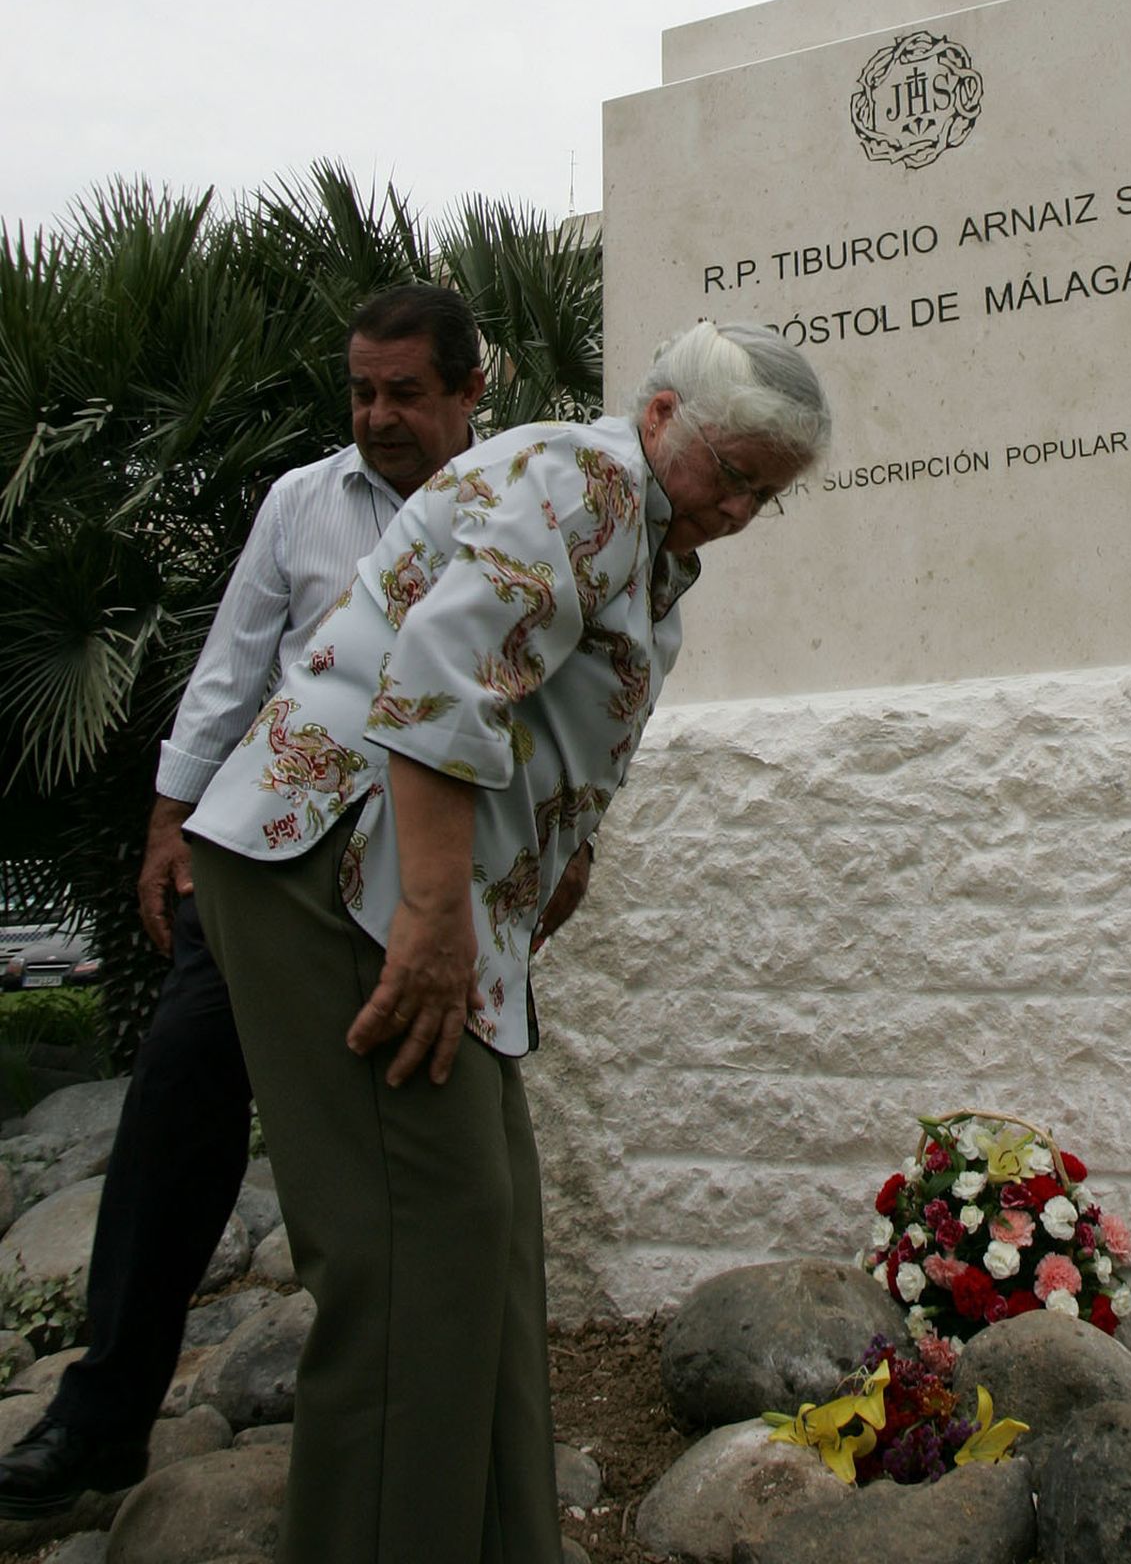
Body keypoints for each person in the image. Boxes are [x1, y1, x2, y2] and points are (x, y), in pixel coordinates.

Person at [182, 321, 830, 1564]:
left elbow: (557, 723)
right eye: (732, 472)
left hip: (429, 893)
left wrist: (549, 868)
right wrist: (433, 919)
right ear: (656, 419)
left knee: (484, 1233)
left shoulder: (644, 539)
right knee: (410, 1255)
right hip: (334, 862)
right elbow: (438, 679)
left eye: (767, 493)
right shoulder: (585, 481)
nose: (742, 508)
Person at [0, 283, 547, 1524]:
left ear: (473, 392)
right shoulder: (302, 502)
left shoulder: (529, 508)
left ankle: (449, 1455)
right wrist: (167, 820)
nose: (380, 415)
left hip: (429, 891)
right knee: (176, 1106)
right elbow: (230, 666)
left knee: (436, 1171)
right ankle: (101, 1418)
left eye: (407, 391)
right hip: (268, 861)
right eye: (363, 390)